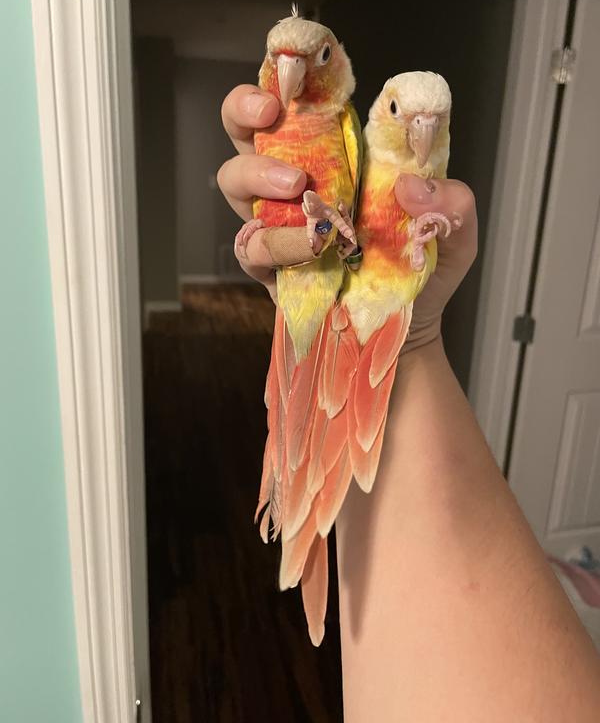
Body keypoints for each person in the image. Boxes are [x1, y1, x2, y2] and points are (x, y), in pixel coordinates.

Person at [217, 84, 600, 722]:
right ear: (380, 116)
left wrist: (411, 332)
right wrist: (305, 258)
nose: (421, 132)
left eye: (436, 121)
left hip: (390, 316)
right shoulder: (354, 147)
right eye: (404, 114)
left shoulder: (426, 188)